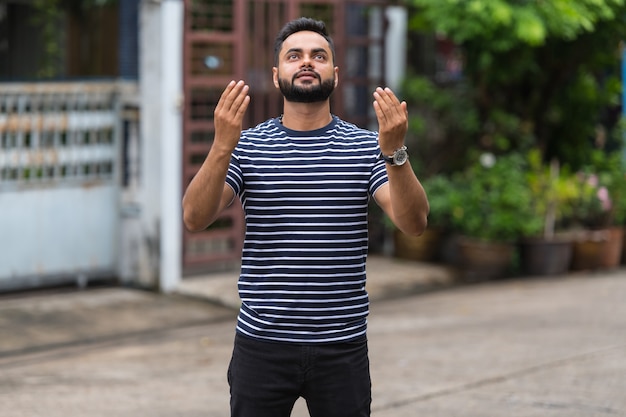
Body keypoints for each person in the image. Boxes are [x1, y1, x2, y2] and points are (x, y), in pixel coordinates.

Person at [182, 17, 429, 417]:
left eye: (319, 55)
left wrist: (395, 153)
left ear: (336, 72)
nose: (307, 62)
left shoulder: (365, 147)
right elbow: (195, 217)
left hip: (342, 347)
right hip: (261, 345)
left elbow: (414, 223)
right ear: (278, 76)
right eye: (294, 56)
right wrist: (222, 145)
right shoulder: (250, 146)